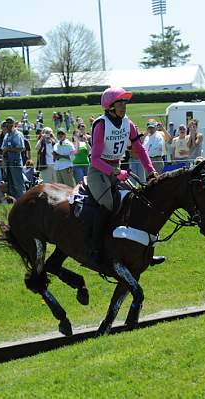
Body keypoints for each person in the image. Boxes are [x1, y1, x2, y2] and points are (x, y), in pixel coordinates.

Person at [86, 87, 157, 267]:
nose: (124, 106)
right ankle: (95, 249)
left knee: (137, 201)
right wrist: (116, 172)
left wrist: (151, 171)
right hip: (99, 170)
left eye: (125, 102)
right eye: (120, 102)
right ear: (110, 106)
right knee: (109, 204)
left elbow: (140, 149)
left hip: (116, 168)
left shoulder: (128, 123)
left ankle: (143, 249)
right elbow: (94, 160)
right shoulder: (101, 125)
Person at [1, 117, 26, 200]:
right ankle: (14, 201)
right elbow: (3, 148)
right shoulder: (7, 135)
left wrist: (8, 149)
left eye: (10, 123)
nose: (8, 125)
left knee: (18, 183)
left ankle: (22, 200)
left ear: (13, 124)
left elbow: (21, 148)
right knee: (11, 184)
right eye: (6, 123)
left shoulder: (17, 134)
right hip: (8, 162)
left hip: (15, 162)